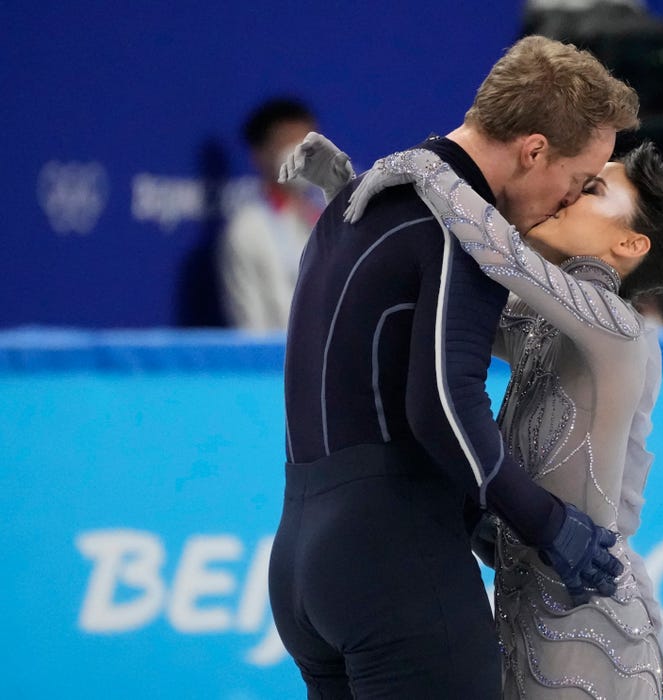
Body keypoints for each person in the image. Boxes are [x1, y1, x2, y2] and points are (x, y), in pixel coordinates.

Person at [268, 36, 640, 699]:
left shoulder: (360, 202)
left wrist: (475, 515)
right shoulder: (458, 227)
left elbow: (371, 390)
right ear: (533, 151)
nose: (571, 199)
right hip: (392, 566)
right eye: (580, 179)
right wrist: (548, 526)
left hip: (304, 561)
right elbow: (441, 405)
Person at [217, 97, 337, 331]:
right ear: (260, 155)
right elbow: (250, 326)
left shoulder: (331, 220)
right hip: (277, 363)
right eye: (288, 141)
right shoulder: (246, 229)